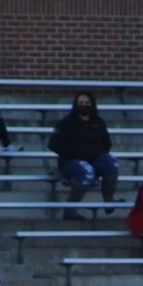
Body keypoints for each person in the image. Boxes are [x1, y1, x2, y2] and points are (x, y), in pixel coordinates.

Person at [48, 91, 118, 219]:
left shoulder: (99, 122)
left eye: (87, 103)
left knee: (111, 162)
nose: (84, 105)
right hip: (71, 162)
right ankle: (70, 209)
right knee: (87, 170)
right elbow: (53, 144)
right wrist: (74, 153)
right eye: (81, 103)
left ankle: (108, 200)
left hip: (94, 160)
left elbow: (107, 143)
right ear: (76, 104)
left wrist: (97, 154)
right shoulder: (66, 123)